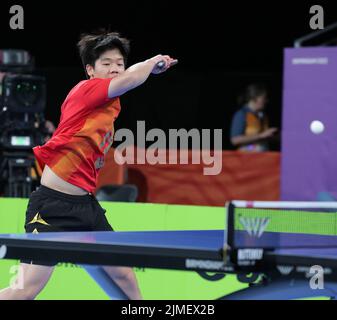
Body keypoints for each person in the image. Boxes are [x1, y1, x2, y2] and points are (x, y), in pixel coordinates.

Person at [0, 30, 177, 300]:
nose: (115, 69)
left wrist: (148, 64)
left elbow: (129, 77)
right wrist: (153, 62)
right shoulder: (87, 90)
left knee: (124, 276)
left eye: (119, 63)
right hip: (51, 207)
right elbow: (131, 79)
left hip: (86, 208)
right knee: (26, 290)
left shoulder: (110, 103)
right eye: (106, 64)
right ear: (90, 70)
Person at [230, 83, 278, 152]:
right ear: (254, 98)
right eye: (264, 98)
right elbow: (235, 140)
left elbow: (264, 137)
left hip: (263, 157)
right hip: (247, 158)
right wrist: (261, 135)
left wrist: (274, 136)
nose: (266, 101)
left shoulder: (263, 115)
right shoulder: (241, 114)